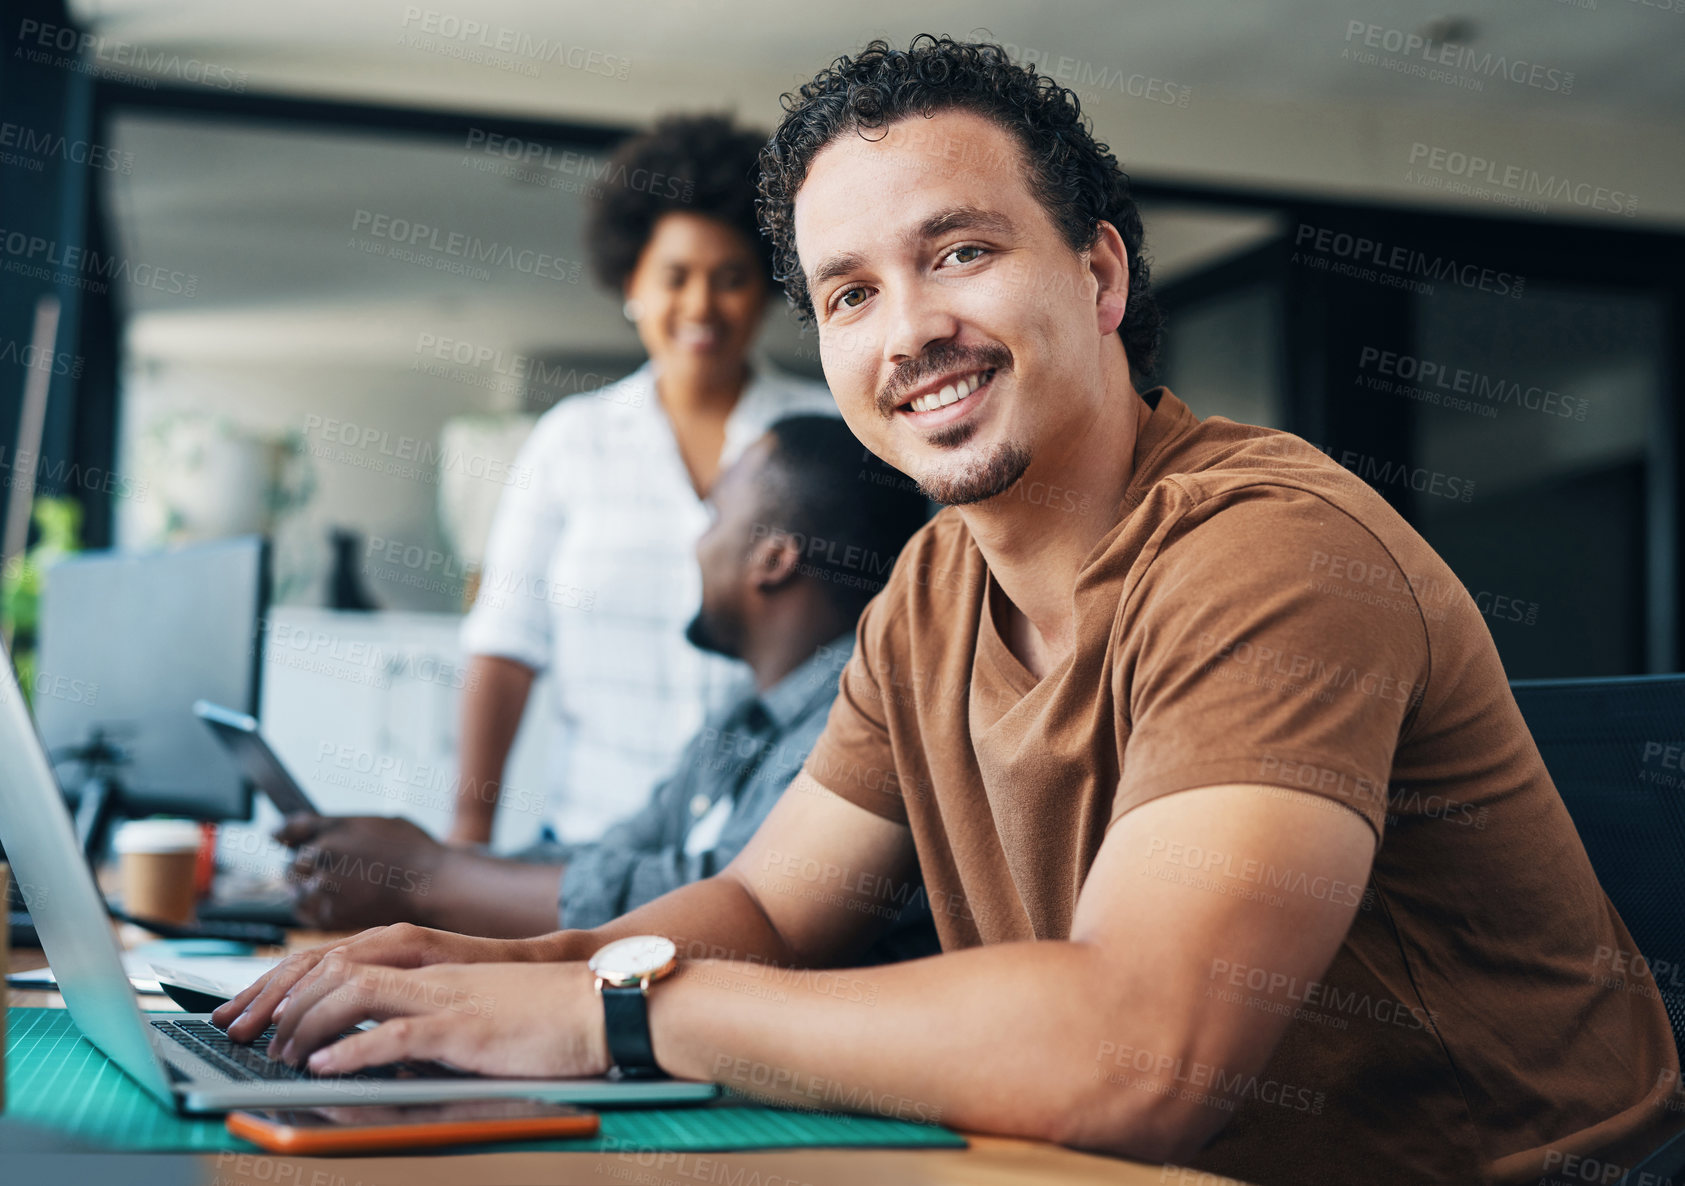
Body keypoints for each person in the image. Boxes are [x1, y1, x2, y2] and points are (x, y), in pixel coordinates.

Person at [217, 37, 1681, 1186]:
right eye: (847, 294)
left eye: (959, 251)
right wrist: (488, 970)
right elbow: (771, 907)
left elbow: (1141, 1052)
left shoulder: (1264, 547)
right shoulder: (933, 583)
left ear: (1098, 272)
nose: (906, 326)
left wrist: (610, 1014)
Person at [274, 417, 933, 948]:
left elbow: (726, 897)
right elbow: (624, 852)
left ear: (773, 557)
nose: (695, 545)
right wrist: (408, 865)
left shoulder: (860, 714)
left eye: (713, 515)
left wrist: (430, 878)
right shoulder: (743, 712)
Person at [452, 113, 837, 849]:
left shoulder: (829, 433)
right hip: (586, 844)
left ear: (764, 291)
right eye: (675, 277)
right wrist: (466, 843)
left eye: (730, 279)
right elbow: (505, 646)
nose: (700, 306)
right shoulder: (571, 440)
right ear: (631, 282)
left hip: (769, 850)